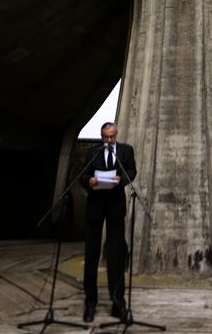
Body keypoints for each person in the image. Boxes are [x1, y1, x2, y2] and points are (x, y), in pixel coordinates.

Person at [79, 121, 136, 323]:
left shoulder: (125, 151)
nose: (109, 140)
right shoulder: (93, 153)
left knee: (116, 256)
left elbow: (131, 171)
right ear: (101, 136)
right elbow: (83, 175)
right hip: (95, 208)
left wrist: (122, 180)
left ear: (116, 135)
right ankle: (90, 302)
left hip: (115, 208)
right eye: (105, 137)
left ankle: (117, 302)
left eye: (112, 137)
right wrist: (89, 181)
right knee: (92, 255)